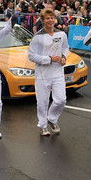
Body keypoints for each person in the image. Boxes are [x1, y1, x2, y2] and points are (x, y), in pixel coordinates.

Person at [28, 8, 69, 137]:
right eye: (47, 18)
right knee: (42, 102)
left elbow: (65, 48)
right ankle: (43, 125)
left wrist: (63, 57)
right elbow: (31, 56)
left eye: (52, 18)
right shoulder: (38, 37)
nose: (50, 20)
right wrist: (49, 59)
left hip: (57, 72)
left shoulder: (61, 34)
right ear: (42, 20)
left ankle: (52, 118)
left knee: (61, 100)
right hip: (42, 74)